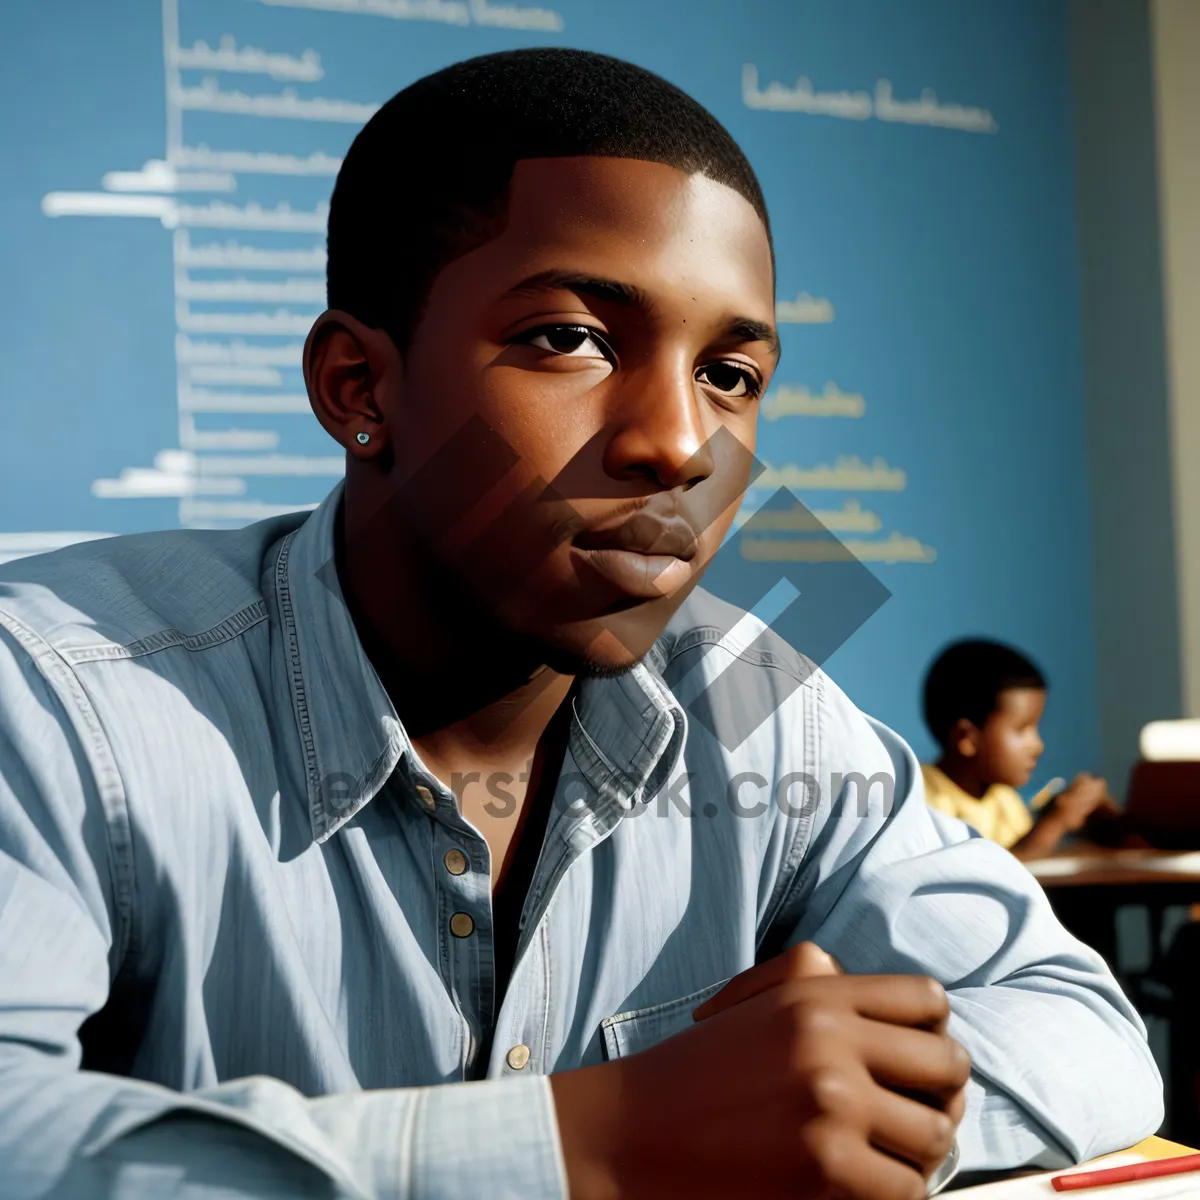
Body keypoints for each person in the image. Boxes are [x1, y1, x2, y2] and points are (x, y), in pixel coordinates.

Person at [0, 48, 1161, 1200]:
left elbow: (1079, 1024)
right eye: (571, 339)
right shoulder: (55, 701)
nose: (680, 445)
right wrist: (594, 1144)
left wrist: (849, 1115)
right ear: (359, 387)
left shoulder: (760, 707)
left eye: (729, 374)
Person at [921, 639, 1117, 860]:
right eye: (1021, 729)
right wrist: (1055, 823)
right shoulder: (921, 798)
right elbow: (995, 872)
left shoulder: (1005, 799)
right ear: (966, 738)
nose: (1038, 745)